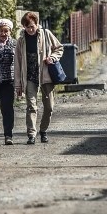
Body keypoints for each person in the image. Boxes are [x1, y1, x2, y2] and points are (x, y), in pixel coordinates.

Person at [14, 11, 63, 144]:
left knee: (49, 107)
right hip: (29, 77)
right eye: (27, 26)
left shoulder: (46, 34)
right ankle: (31, 134)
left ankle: (44, 130)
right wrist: (18, 84)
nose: (30, 29)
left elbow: (59, 48)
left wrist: (52, 58)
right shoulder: (21, 41)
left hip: (46, 75)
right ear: (24, 26)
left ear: (37, 24)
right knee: (31, 106)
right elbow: (17, 63)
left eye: (32, 26)